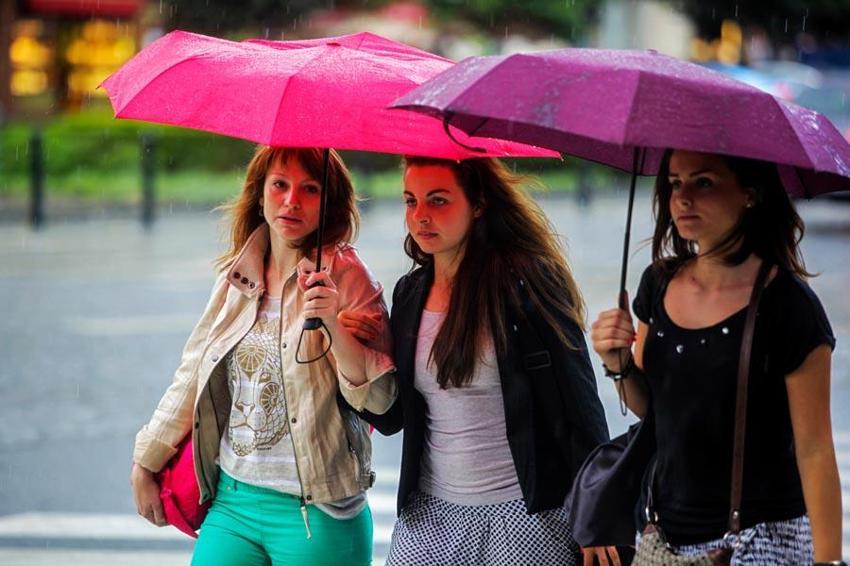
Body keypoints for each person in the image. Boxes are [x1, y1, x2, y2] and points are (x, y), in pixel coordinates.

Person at [130, 145, 396, 565]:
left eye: (310, 189)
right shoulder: (238, 273)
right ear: (260, 193)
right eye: (280, 185)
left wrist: (330, 321)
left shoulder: (348, 277)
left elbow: (380, 401)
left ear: (331, 202)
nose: (292, 201)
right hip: (234, 502)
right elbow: (194, 371)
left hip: (318, 512)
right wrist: (147, 460)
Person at [342, 156, 610, 565]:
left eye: (438, 201)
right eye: (410, 202)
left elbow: (580, 405)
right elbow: (394, 418)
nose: (421, 217)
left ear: (479, 203)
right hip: (431, 515)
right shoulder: (410, 293)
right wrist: (357, 349)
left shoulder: (529, 283)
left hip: (525, 516)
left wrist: (600, 514)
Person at [589, 149, 843, 565]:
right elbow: (655, 411)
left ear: (750, 193)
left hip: (761, 540)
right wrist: (618, 365)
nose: (683, 197)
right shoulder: (658, 284)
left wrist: (829, 561)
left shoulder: (790, 306)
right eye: (674, 183)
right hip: (664, 535)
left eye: (703, 182)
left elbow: (814, 448)